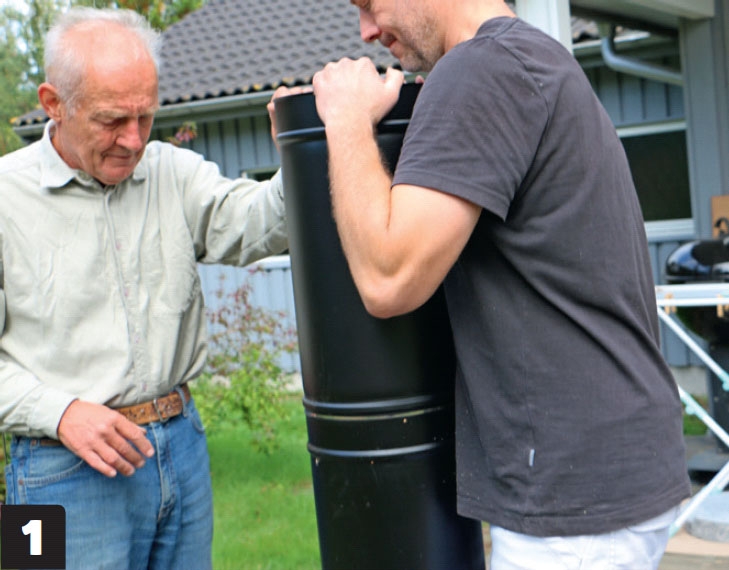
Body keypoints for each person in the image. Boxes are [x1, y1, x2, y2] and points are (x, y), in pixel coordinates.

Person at [283, 1, 693, 568]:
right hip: (603, 473)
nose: (366, 31)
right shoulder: (529, 59)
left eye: (369, 3)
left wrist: (346, 122)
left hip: (571, 503)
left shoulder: (482, 70)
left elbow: (388, 279)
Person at [0, 7, 288, 569]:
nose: (133, 141)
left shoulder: (173, 173)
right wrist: (61, 412)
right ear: (53, 103)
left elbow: (259, 226)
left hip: (181, 448)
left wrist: (301, 150)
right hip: (55, 469)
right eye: (112, 120)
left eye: (146, 117)